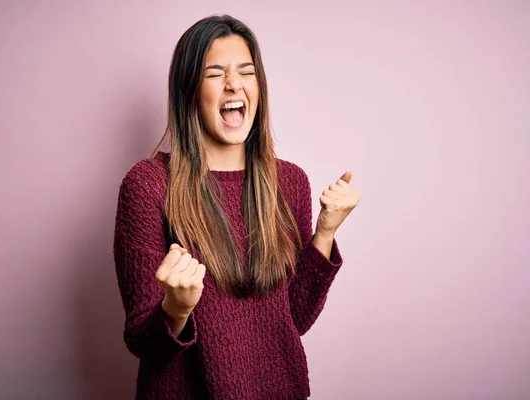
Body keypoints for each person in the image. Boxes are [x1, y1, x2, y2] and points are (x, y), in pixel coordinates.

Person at [113, 14, 359, 400]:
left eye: (246, 72)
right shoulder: (147, 186)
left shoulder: (290, 183)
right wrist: (175, 308)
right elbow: (143, 343)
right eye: (215, 73)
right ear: (189, 90)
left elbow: (293, 319)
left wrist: (325, 233)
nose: (234, 84)